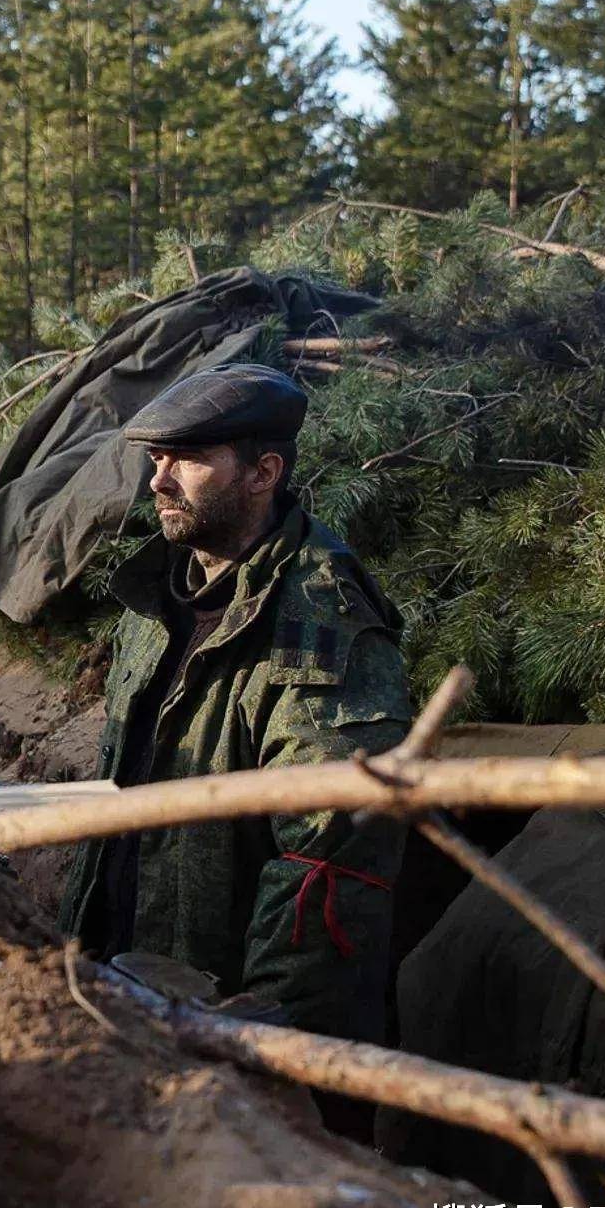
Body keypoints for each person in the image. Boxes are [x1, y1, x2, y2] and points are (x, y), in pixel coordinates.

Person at [59, 363, 412, 1050]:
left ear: (263, 472)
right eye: (157, 458)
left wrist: (268, 1033)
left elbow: (326, 862)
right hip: (118, 990)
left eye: (187, 460)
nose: (159, 480)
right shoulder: (158, 595)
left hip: (220, 1019)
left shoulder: (321, 621)